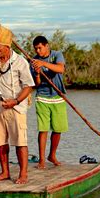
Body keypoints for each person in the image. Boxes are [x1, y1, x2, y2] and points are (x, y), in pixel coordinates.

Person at [0, 24, 34, 184]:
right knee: (0, 141)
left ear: (6, 47)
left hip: (16, 107)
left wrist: (16, 101)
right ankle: (5, 171)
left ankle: (23, 173)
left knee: (20, 141)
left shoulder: (20, 62)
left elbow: (29, 86)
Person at [30, 35, 68, 169]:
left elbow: (60, 69)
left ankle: (52, 155)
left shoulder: (57, 55)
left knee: (58, 128)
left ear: (47, 46)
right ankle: (41, 160)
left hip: (58, 95)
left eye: (40, 48)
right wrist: (38, 73)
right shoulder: (34, 60)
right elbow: (36, 83)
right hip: (42, 96)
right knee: (43, 129)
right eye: (36, 49)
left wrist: (44, 64)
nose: (38, 51)